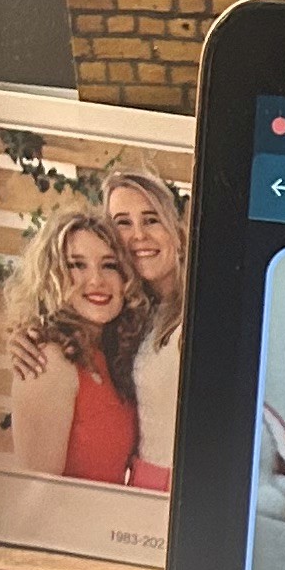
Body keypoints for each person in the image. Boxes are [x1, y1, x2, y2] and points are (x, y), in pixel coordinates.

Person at [2, 204, 140, 485]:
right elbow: (39, 495)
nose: (96, 280)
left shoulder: (111, 356)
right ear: (52, 276)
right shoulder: (48, 361)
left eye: (109, 265)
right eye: (77, 265)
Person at [102, 164, 188, 491]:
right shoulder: (131, 314)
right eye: (123, 223)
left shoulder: (202, 308)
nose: (138, 235)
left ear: (177, 234)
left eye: (151, 220)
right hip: (141, 484)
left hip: (181, 487)